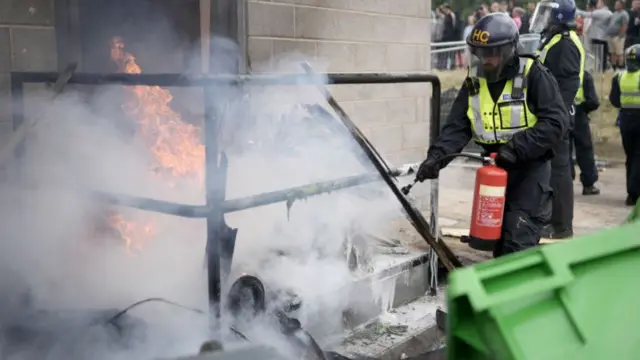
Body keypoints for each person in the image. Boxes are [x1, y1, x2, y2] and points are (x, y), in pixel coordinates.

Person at [415, 13, 567, 257]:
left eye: (493, 53)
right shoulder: (475, 80)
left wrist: (517, 148)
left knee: (518, 238)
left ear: (509, 50)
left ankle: (520, 292)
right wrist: (436, 158)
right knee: (494, 240)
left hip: (529, 168)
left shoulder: (533, 74)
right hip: (494, 169)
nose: (486, 60)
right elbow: (458, 127)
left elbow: (556, 122)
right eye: (481, 53)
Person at [530, 0, 585, 239]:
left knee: (560, 171)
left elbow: (567, 85)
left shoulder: (564, 44)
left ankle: (561, 226)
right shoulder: (556, 40)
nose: (545, 20)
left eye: (549, 15)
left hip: (558, 118)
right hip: (554, 115)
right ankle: (551, 220)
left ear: (559, 17)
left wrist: (554, 118)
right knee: (552, 170)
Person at [609, 44, 640, 206]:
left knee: (630, 156)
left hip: (625, 119)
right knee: (638, 156)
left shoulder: (619, 76)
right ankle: (635, 193)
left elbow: (614, 100)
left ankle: (631, 193)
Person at [572, 71, 601, 196]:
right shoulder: (584, 75)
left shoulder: (553, 71)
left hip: (561, 112)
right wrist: (584, 110)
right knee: (585, 149)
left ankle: (564, 183)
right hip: (579, 114)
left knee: (562, 149)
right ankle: (588, 185)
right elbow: (593, 102)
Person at [607, 0, 629, 70]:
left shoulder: (624, 14)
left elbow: (624, 25)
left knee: (619, 53)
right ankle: (614, 68)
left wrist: (620, 35)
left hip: (618, 37)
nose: (615, 5)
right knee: (612, 52)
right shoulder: (615, 13)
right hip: (611, 36)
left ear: (621, 6)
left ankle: (621, 67)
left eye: (617, 4)